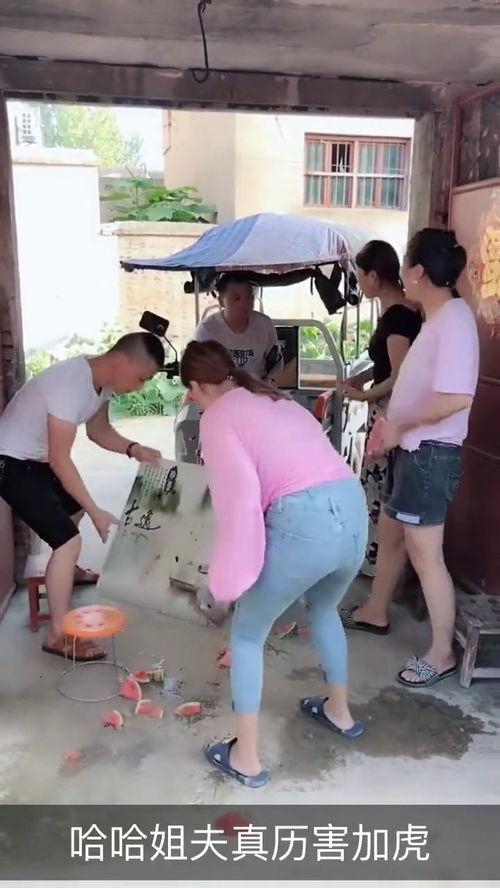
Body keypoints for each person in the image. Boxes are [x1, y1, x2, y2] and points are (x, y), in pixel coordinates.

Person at [180, 339, 368, 787]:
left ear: (195, 387)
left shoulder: (217, 417)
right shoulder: (276, 399)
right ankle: (339, 712)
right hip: (353, 511)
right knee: (323, 609)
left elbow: (239, 504)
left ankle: (245, 757)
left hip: (305, 520)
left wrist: (225, 580)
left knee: (247, 635)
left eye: (191, 392)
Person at [342, 229, 479, 688]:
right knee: (392, 533)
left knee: (425, 552)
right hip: (412, 448)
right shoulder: (436, 317)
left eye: (406, 263)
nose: (402, 273)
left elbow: (456, 399)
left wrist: (400, 426)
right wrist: (392, 426)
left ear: (418, 271)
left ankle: (441, 652)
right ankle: (376, 610)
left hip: (430, 453)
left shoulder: (454, 322)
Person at [0, 332, 165, 660]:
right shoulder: (70, 384)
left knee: (73, 507)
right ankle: (57, 635)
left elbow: (97, 431)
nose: (140, 387)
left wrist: (133, 448)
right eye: (141, 378)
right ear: (122, 362)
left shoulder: (101, 382)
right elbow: (60, 459)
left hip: (34, 460)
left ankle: (67, 571)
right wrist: (96, 510)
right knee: (69, 541)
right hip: (11, 463)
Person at [344, 240, 421, 578]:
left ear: (374, 276)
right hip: (388, 411)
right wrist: (361, 381)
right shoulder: (401, 311)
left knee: (380, 487)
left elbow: (399, 375)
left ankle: (379, 564)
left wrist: (363, 396)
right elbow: (384, 365)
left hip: (391, 414)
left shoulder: (398, 317)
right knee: (380, 485)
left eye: (360, 275)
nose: (359, 283)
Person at [194, 272, 283, 381]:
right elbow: (195, 369)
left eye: (248, 296)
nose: (244, 303)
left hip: (257, 387)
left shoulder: (264, 324)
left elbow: (276, 363)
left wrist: (268, 382)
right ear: (221, 301)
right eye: (236, 298)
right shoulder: (207, 330)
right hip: (220, 389)